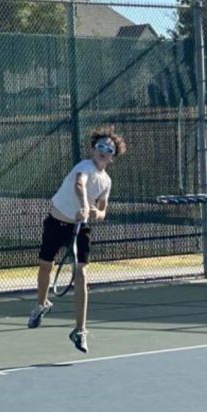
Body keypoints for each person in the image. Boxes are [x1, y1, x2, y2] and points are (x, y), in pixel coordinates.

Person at [27, 129, 126, 352]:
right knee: (45, 266)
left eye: (108, 149)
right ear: (93, 150)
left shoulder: (106, 181)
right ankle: (41, 305)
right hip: (56, 223)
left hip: (80, 229)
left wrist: (95, 213)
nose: (103, 151)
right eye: (100, 146)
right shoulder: (85, 167)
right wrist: (83, 204)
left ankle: (80, 331)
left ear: (112, 157)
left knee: (81, 274)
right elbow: (79, 185)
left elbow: (102, 210)